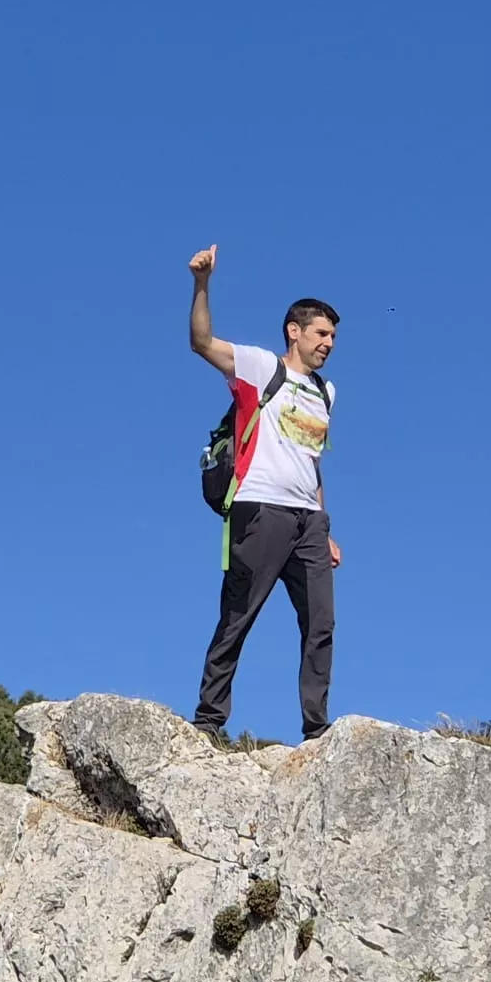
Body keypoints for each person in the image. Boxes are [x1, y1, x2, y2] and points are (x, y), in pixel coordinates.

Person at [186, 244, 341, 742]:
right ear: (294, 332)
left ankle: (316, 729)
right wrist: (203, 284)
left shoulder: (326, 392)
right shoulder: (259, 367)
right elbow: (201, 341)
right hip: (259, 508)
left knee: (321, 624)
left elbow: (312, 459)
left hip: (308, 521)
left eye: (334, 336)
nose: (329, 343)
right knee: (238, 617)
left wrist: (326, 525)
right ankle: (209, 720)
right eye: (321, 333)